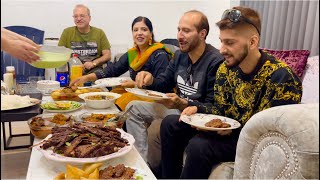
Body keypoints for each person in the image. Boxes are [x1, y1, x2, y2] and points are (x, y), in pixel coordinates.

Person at [160, 6, 303, 179]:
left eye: (230, 43)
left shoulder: (282, 78)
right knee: (171, 123)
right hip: (228, 131)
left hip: (250, 141)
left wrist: (233, 131)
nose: (221, 49)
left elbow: (272, 135)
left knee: (199, 146)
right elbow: (220, 108)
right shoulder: (225, 70)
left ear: (252, 42)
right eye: (221, 41)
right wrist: (195, 107)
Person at [126, 10, 224, 177]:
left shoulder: (215, 61)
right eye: (179, 30)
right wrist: (150, 80)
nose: (179, 35)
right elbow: (163, 83)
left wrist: (185, 104)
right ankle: (142, 168)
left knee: (170, 123)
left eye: (186, 31)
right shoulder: (179, 55)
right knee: (132, 107)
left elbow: (213, 105)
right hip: (177, 107)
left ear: (202, 34)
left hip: (197, 114)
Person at [69, 16, 172, 110]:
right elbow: (113, 70)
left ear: (150, 33)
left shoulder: (159, 54)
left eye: (144, 29)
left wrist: (135, 84)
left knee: (122, 100)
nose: (139, 33)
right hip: (137, 92)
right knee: (112, 94)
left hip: (154, 97)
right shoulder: (133, 53)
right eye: (135, 30)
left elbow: (162, 86)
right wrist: (85, 78)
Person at [58, 4, 111, 74]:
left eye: (82, 16)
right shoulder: (67, 32)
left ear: (89, 18)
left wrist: (94, 63)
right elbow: (60, 53)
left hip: (94, 72)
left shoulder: (99, 33)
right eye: (75, 16)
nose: (78, 19)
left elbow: (107, 55)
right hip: (73, 71)